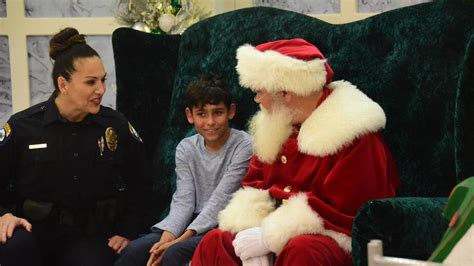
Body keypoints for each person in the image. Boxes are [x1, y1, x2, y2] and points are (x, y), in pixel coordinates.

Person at [191, 38, 400, 266]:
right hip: (276, 228)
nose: (258, 100)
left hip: (336, 239)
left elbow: (351, 214)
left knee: (302, 251)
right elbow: (255, 185)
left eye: (260, 92)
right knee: (216, 241)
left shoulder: (355, 133)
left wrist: (270, 237)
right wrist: (252, 231)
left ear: (285, 92)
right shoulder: (276, 126)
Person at [0, 27, 151, 266]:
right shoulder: (23, 127)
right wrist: (3, 215)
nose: (100, 90)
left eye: (103, 80)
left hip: (88, 237)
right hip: (33, 232)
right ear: (63, 84)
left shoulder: (115, 126)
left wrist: (128, 231)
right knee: (12, 246)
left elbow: (141, 182)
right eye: (91, 82)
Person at [115, 74, 253, 266]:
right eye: (202, 114)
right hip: (189, 222)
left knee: (174, 254)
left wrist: (177, 242)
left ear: (231, 111)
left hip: (223, 224)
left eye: (218, 112)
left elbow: (221, 200)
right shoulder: (185, 148)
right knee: (135, 251)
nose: (210, 122)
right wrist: (165, 240)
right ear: (190, 115)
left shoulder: (243, 144)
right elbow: (184, 200)